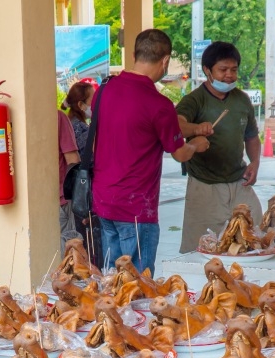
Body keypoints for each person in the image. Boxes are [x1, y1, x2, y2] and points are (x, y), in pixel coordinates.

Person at [92, 29, 209, 275]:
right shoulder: (159, 105)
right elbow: (179, 153)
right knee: (137, 289)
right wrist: (196, 144)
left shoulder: (103, 91)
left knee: (111, 282)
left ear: (134, 54)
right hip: (136, 210)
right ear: (165, 60)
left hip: (103, 202)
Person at [174, 41, 262, 254]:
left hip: (238, 181)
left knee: (255, 237)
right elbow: (175, 126)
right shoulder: (194, 100)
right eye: (223, 70)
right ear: (207, 70)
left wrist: (255, 163)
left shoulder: (241, 100)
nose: (229, 75)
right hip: (204, 186)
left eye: (233, 70)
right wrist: (196, 129)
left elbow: (251, 137)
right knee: (200, 250)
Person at [57, 109, 81, 241]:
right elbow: (73, 161)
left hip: (26, 204)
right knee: (66, 255)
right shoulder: (57, 117)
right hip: (60, 201)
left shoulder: (16, 116)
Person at [62, 80, 96, 154]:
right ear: (81, 105)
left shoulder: (70, 123)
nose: (97, 104)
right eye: (94, 100)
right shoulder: (81, 128)